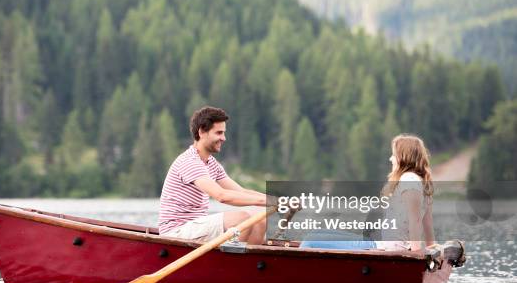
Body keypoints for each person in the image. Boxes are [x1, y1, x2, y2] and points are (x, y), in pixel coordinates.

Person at [300, 133, 435, 252]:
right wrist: (431, 247)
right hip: (382, 244)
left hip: (388, 248)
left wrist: (416, 253)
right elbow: (427, 223)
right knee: (317, 233)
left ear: (403, 157)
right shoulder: (423, 183)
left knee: (310, 240)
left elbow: (415, 220)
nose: (391, 159)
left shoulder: (409, 179)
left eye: (394, 155)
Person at [159, 106, 272, 244]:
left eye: (224, 133)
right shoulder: (189, 161)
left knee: (260, 220)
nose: (224, 138)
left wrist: (276, 200)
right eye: (219, 133)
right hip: (176, 232)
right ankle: (230, 263)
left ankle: (247, 264)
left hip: (195, 227)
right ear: (201, 132)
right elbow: (221, 196)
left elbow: (240, 191)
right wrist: (267, 202)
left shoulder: (211, 163)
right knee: (242, 218)